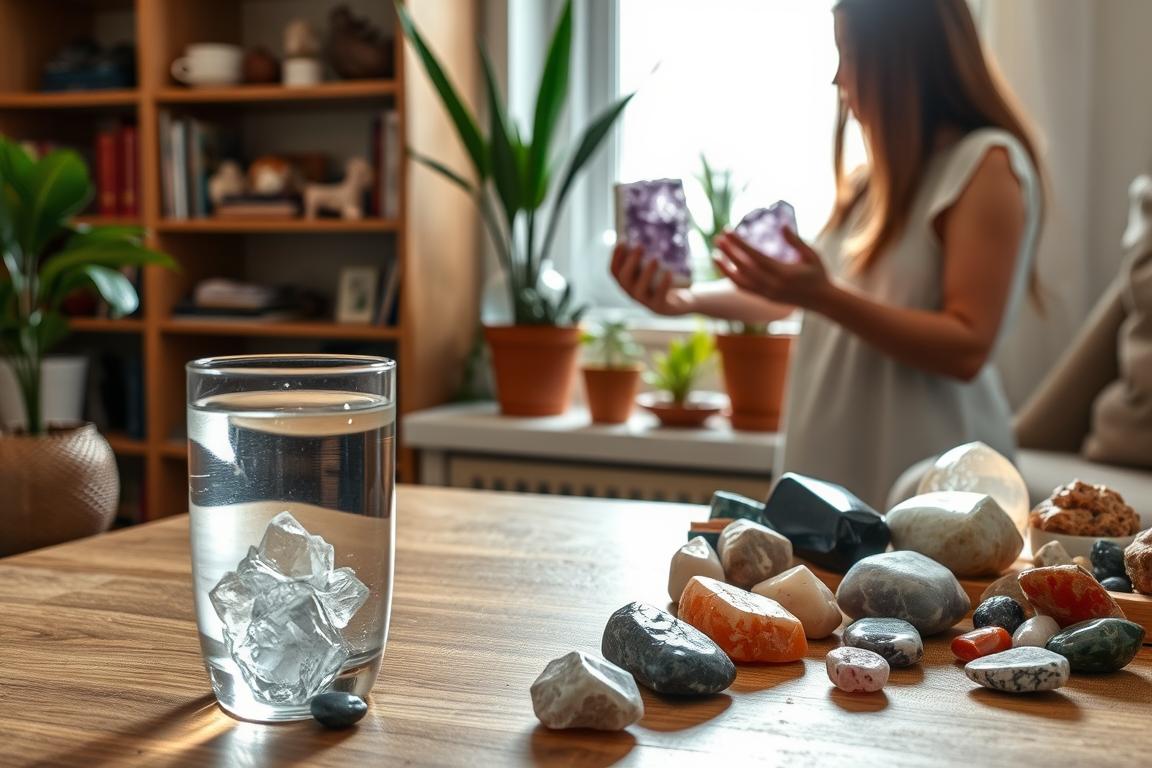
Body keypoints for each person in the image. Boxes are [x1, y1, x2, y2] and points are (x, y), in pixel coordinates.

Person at [611, 0, 1044, 510]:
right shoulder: (871, 184)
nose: (838, 79)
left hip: (932, 484)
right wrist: (682, 301)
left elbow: (968, 345)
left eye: (851, 54)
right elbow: (788, 296)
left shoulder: (985, 166)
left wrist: (824, 296)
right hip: (840, 467)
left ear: (903, 59)